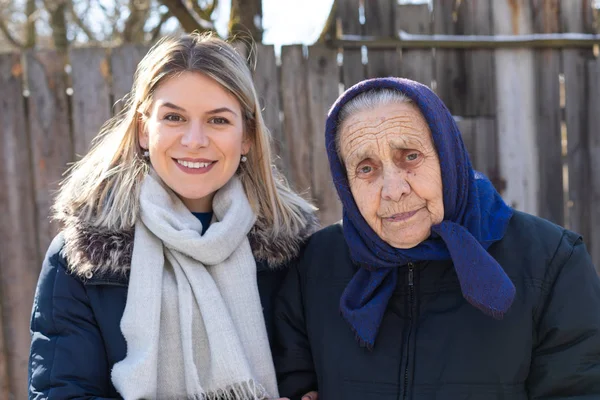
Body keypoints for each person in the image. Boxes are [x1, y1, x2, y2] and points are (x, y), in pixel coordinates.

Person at [28, 33, 319, 400]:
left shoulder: (298, 255)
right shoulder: (80, 259)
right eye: (174, 117)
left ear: (246, 136)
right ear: (143, 131)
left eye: (218, 120)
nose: (194, 140)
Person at [274, 77, 600, 399]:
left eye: (410, 156)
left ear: (448, 156)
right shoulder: (314, 266)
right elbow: (293, 382)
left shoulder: (552, 261)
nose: (393, 189)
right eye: (366, 168)